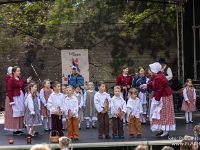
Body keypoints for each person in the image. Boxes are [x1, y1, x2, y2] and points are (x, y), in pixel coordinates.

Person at [140, 62, 175, 137]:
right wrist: (146, 85)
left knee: (163, 114)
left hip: (164, 97)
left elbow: (159, 90)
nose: (149, 71)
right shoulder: (156, 76)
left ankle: (165, 131)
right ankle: (162, 129)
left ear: (154, 70)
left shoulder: (159, 77)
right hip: (161, 96)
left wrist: (157, 100)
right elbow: (153, 83)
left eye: (150, 70)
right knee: (158, 114)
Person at [5, 66, 32, 135]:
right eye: (18, 71)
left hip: (20, 96)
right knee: (15, 113)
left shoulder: (19, 78)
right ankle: (15, 129)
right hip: (15, 97)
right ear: (14, 72)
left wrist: (27, 80)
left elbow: (22, 83)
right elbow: (9, 91)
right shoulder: (11, 80)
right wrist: (11, 100)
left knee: (21, 111)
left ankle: (19, 128)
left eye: (19, 71)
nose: (19, 72)